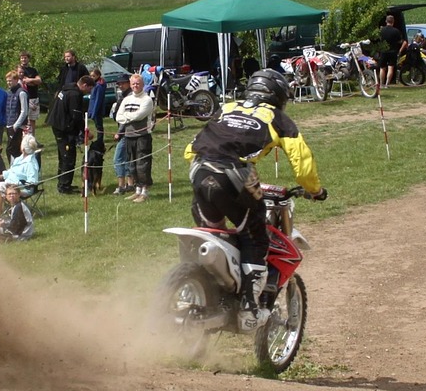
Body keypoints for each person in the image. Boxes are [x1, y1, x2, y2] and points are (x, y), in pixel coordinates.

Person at [184, 68, 326, 331]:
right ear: (278, 95)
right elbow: (302, 163)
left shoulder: (226, 107)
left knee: (214, 231)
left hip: (199, 170)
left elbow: (190, 147)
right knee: (255, 233)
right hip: (234, 173)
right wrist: (315, 190)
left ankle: (209, 288)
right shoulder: (279, 118)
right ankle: (249, 309)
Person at [47, 74, 94, 194]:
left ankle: (63, 183)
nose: (89, 92)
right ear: (84, 85)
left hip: (57, 125)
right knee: (68, 157)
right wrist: (85, 131)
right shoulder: (74, 94)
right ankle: (64, 186)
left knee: (63, 156)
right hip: (64, 128)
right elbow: (76, 115)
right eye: (89, 89)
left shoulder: (67, 88)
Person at [0, 132, 41, 224]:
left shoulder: (30, 163)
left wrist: (16, 185)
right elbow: (11, 171)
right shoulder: (19, 159)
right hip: (9, 185)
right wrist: (0, 176)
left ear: (23, 149)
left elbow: (33, 181)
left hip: (21, 188)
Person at [114, 72, 155, 202]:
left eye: (138, 83)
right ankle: (137, 191)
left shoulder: (147, 100)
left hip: (143, 136)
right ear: (130, 85)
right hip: (128, 136)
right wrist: (127, 117)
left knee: (142, 165)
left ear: (142, 84)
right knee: (132, 165)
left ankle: (144, 192)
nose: (135, 85)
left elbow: (139, 116)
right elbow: (118, 117)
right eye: (133, 83)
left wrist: (126, 117)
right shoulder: (126, 99)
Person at [110, 75, 134, 195]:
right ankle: (130, 184)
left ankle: (121, 186)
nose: (120, 86)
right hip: (125, 131)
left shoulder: (129, 97)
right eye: (118, 84)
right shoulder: (123, 95)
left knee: (118, 159)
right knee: (127, 158)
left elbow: (126, 118)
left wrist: (119, 133)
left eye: (122, 83)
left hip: (125, 131)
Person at [3, 69, 30, 160]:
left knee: (13, 150)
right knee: (11, 151)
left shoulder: (21, 93)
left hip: (18, 126)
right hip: (9, 125)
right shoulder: (8, 92)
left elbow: (24, 111)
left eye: (10, 81)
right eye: (7, 81)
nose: (8, 83)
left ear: (16, 80)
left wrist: (16, 125)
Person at [376, 14, 405, 89]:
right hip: (393, 51)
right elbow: (400, 41)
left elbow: (378, 40)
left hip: (384, 51)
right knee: (390, 68)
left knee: (382, 68)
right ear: (393, 22)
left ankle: (381, 84)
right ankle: (387, 84)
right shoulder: (396, 31)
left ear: (386, 21)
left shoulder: (381, 30)